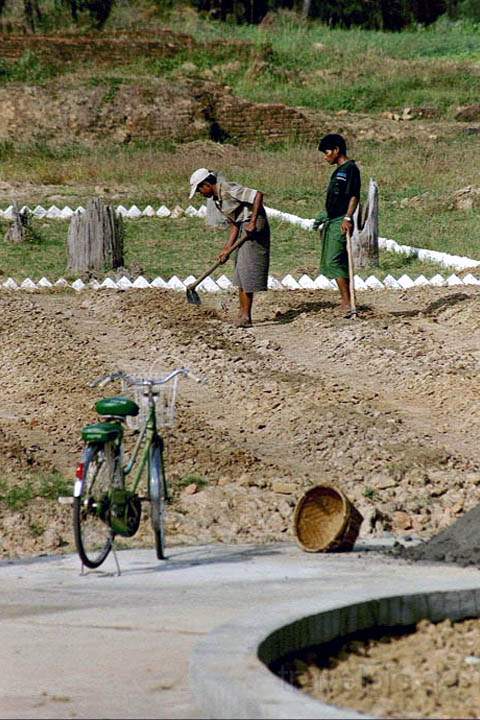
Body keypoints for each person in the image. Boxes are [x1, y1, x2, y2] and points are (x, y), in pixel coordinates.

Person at [189, 168, 270, 327]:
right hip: (242, 227)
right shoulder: (217, 199)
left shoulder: (227, 189)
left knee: (247, 271)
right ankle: (242, 313)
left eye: (199, 190)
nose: (200, 193)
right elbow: (234, 223)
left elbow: (257, 195)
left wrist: (253, 222)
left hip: (254, 228)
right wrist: (227, 248)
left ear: (206, 184)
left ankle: (246, 317)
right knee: (240, 271)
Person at [313, 134, 361, 316]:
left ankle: (347, 302)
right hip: (332, 219)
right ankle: (346, 300)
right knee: (334, 261)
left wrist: (347, 218)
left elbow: (354, 196)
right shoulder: (338, 170)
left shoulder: (351, 169)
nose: (325, 157)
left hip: (341, 221)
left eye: (327, 153)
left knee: (334, 261)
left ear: (336, 150)